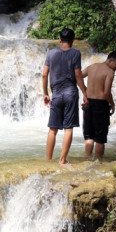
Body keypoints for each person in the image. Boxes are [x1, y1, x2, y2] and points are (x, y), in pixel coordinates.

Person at [42, 28, 88, 166]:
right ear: (73, 40)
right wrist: (86, 94)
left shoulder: (51, 53)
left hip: (56, 95)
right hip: (70, 94)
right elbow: (78, 76)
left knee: (53, 129)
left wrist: (45, 93)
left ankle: (48, 160)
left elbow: (44, 75)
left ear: (60, 39)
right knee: (68, 129)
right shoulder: (75, 53)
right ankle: (62, 160)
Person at [81, 51, 116, 159]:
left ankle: (88, 160)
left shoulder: (92, 67)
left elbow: (78, 76)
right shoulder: (109, 72)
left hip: (88, 104)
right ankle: (98, 163)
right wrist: (112, 104)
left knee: (89, 136)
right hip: (100, 105)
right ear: (110, 60)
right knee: (100, 138)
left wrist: (85, 92)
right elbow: (106, 92)